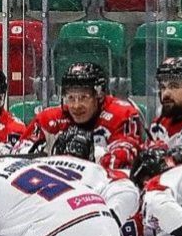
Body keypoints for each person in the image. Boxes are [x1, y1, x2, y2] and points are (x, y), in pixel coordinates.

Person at [15, 62, 145, 169]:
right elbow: (18, 154)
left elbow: (124, 160)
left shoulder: (122, 114)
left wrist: (94, 157)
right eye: (71, 97)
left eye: (83, 97)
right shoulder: (48, 119)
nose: (76, 106)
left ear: (99, 95)